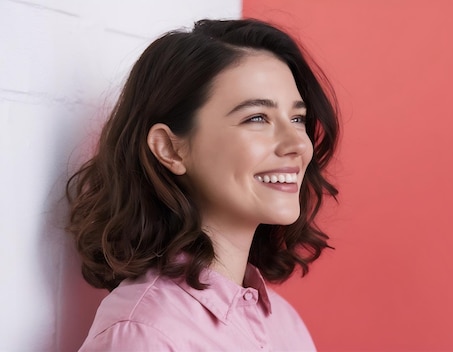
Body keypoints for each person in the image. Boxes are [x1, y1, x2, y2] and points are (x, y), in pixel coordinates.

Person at [66, 18, 339, 351]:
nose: (297, 143)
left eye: (297, 118)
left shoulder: (283, 323)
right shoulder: (144, 334)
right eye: (257, 118)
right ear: (170, 148)